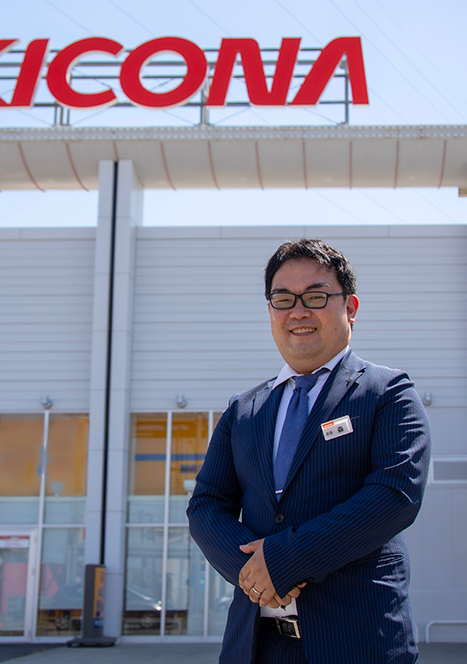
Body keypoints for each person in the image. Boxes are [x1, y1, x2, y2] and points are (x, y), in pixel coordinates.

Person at [187, 239, 430, 664]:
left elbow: (394, 495)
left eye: (316, 297)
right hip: (255, 646)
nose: (298, 311)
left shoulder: (388, 393)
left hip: (358, 643)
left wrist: (283, 560)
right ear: (270, 311)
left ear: (350, 308)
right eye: (283, 299)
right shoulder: (243, 410)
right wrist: (254, 573)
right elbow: (207, 505)